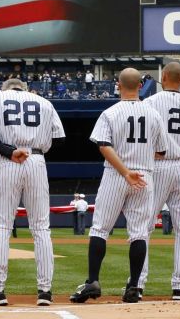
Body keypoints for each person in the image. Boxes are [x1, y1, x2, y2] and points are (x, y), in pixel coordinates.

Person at [69, 68, 166, 304]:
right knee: (139, 233)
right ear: (141, 85)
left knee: (100, 229)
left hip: (117, 174)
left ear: (118, 85)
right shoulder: (153, 114)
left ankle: (93, 282)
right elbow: (161, 152)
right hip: (144, 176)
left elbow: (103, 145)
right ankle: (134, 287)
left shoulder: (110, 113)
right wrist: (139, 161)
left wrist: (125, 171)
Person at [0, 78, 65, 307]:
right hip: (36, 159)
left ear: (5, 88)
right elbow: (60, 138)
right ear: (24, 89)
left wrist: (10, 150)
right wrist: (36, 151)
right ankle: (45, 292)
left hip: (8, 161)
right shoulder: (43, 102)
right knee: (41, 228)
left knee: (2, 227)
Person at [137, 62, 180, 301]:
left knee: (144, 226)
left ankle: (138, 283)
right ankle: (179, 287)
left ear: (163, 76)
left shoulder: (149, 102)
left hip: (156, 165)